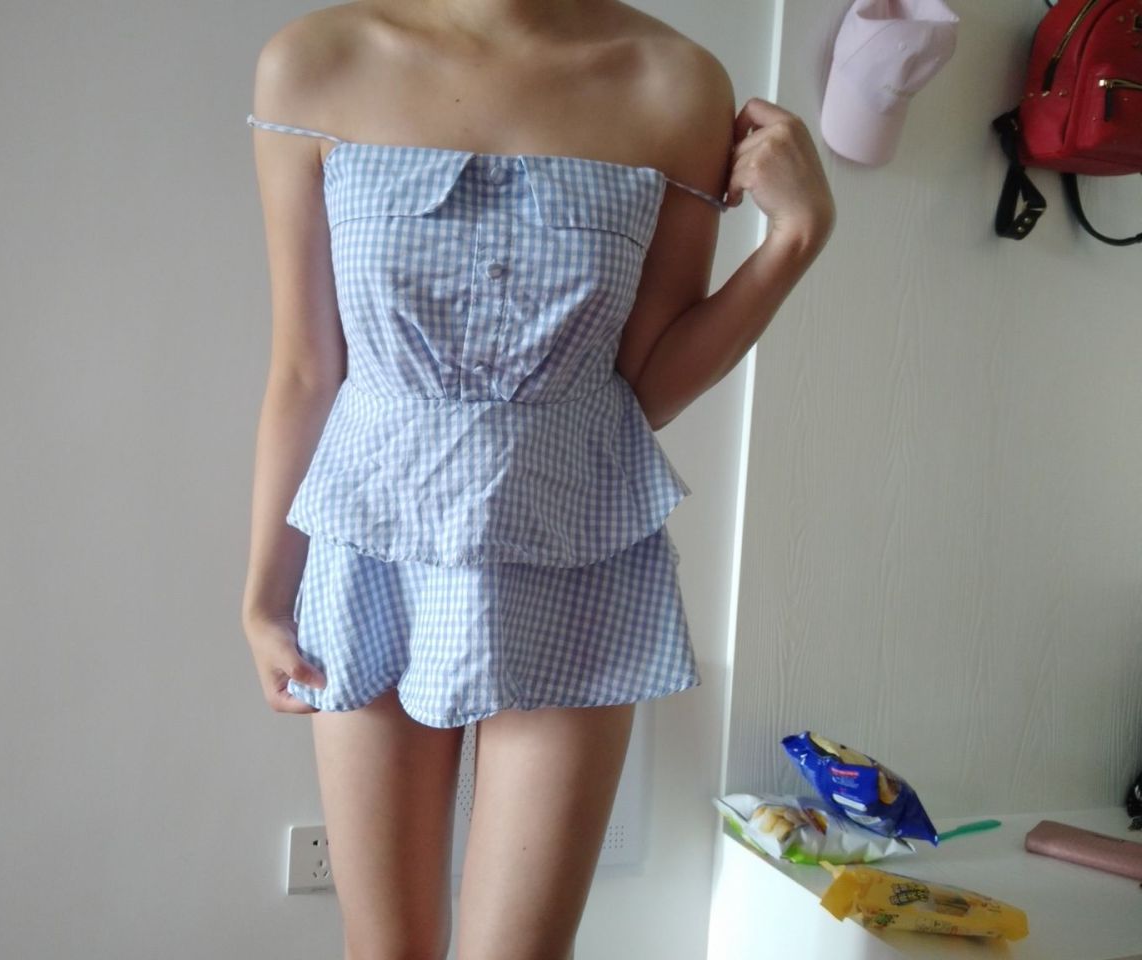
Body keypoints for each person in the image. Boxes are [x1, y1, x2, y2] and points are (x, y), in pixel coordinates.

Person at [240, 1, 835, 957]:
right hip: (373, 548)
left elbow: (646, 384)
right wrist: (264, 596)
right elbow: (308, 367)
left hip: (576, 549)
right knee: (386, 946)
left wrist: (793, 240)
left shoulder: (674, 82)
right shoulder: (316, 62)